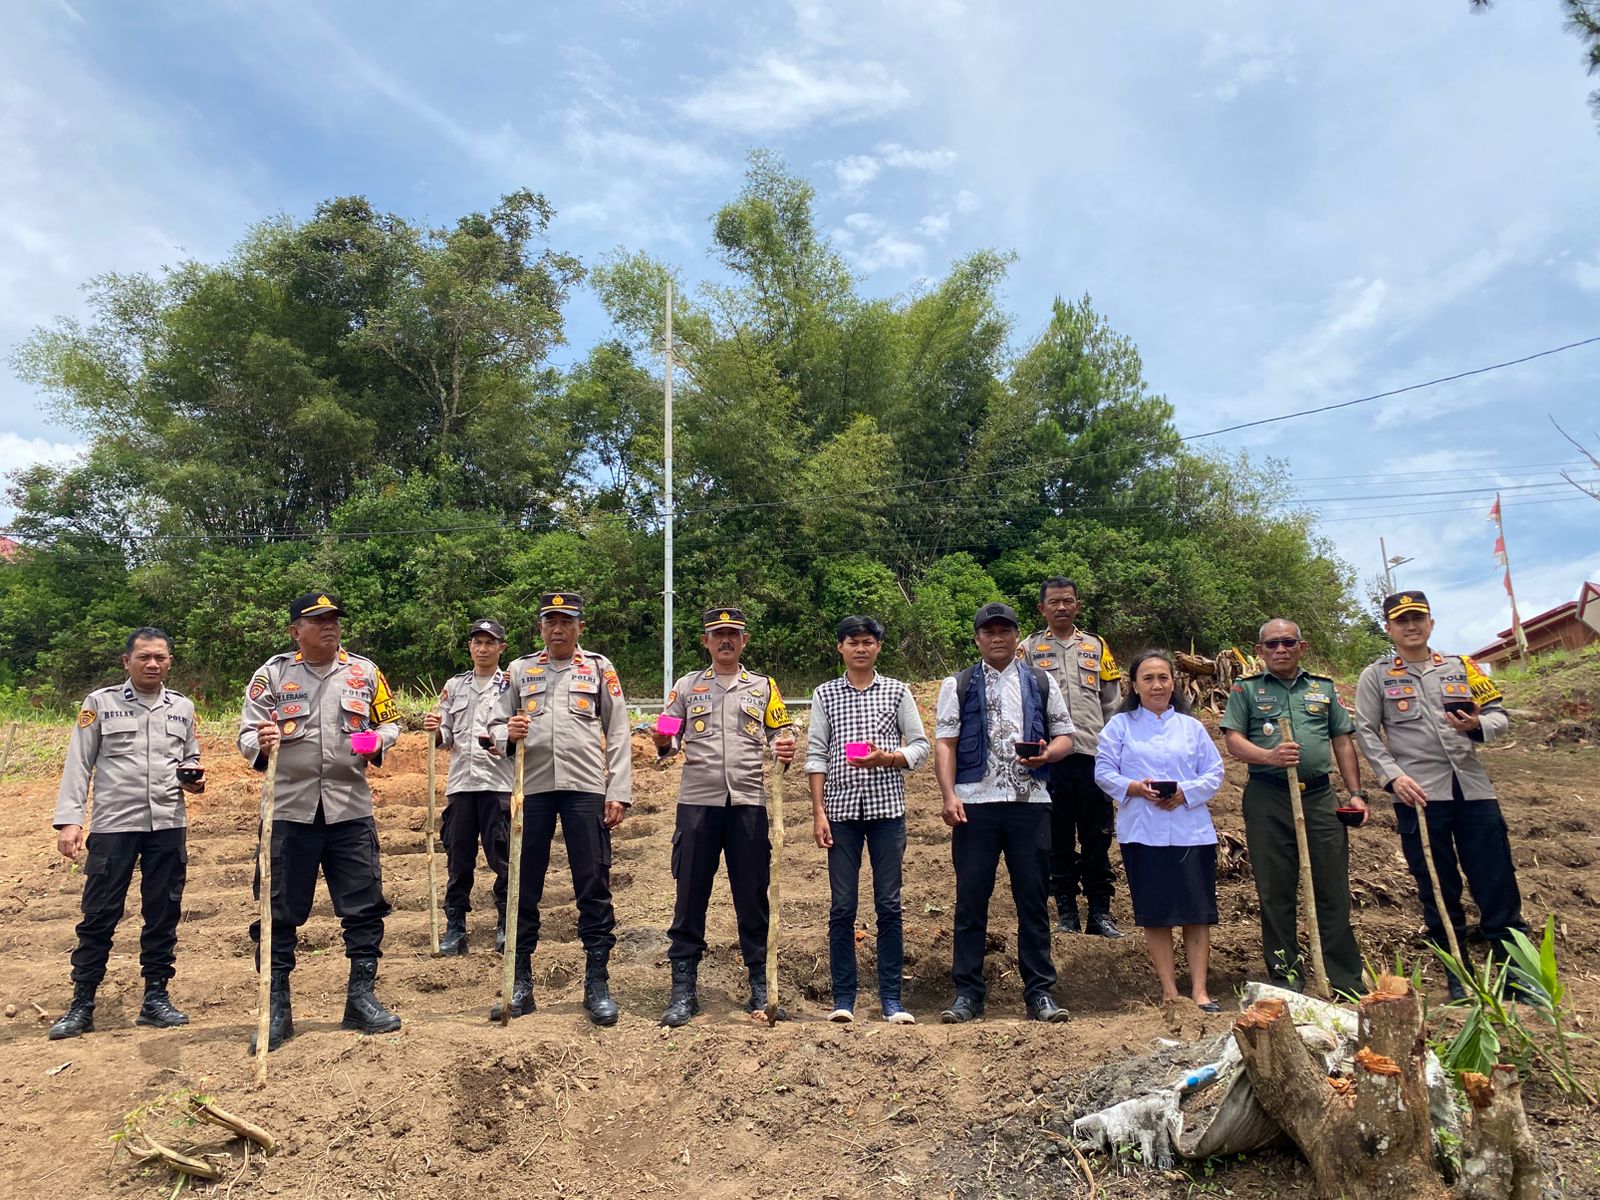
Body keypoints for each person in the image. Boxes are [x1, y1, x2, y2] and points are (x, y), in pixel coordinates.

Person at [238, 591, 404, 1052]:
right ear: (296, 631)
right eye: (318, 621)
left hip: (350, 809)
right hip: (289, 812)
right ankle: (276, 1010)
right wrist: (261, 743)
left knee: (364, 907)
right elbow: (246, 734)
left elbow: (390, 723)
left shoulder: (364, 672)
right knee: (277, 912)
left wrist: (377, 741)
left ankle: (361, 999)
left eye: (334, 620)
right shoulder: (272, 675)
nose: (330, 627)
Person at [1354, 590, 1529, 1000]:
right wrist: (1393, 778)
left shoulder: (1462, 666)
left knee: (1497, 882)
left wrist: (1476, 726)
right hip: (1418, 795)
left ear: (1431, 622)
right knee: (1437, 887)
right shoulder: (1376, 676)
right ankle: (1459, 978)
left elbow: (1499, 716)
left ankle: (1517, 977)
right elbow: (1366, 732)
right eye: (1402, 620)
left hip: (1474, 790)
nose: (1411, 626)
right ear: (1389, 629)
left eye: (1418, 618)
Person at [478, 592, 631, 1025]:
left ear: (580, 626)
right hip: (532, 789)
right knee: (523, 885)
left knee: (593, 883)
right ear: (541, 628)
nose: (558, 629)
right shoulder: (519, 670)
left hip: (586, 789)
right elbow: (491, 727)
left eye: (566, 621)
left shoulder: (598, 668)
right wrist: (508, 732)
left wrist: (617, 790)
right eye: (551, 622)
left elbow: (619, 729)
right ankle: (519, 983)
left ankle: (597, 983)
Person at [48, 628, 204, 1039]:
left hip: (167, 824)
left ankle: (156, 998)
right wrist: (70, 820)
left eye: (160, 658)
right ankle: (82, 1004)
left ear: (170, 662)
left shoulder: (182, 707)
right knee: (100, 914)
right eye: (144, 657)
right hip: (114, 826)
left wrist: (194, 779)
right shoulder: (101, 704)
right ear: (126, 662)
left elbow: (190, 757)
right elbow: (79, 763)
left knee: (163, 913)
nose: (152, 664)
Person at [933, 601, 1075, 1024]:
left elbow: (1066, 736)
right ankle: (967, 994)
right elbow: (946, 743)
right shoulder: (957, 684)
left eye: (1005, 631)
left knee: (1033, 899)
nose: (997, 638)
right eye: (989, 632)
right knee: (971, 900)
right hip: (974, 805)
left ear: (1017, 636)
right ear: (977, 639)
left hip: (1030, 804)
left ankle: (1039, 993)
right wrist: (948, 794)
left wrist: (1048, 753)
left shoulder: (1040, 681)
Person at [653, 606, 796, 1026]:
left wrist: (785, 745)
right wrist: (662, 740)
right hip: (697, 803)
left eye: (733, 633)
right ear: (706, 641)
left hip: (748, 803)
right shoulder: (686, 686)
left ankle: (760, 986)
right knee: (690, 896)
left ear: (744, 640)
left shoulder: (764, 687)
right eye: (718, 634)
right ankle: (683, 990)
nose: (726, 640)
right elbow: (668, 737)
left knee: (753, 896)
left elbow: (781, 732)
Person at [1222, 619, 1368, 995]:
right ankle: (1286, 977)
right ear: (1260, 651)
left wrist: (1356, 793)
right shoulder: (1246, 689)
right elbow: (1234, 740)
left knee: (1332, 888)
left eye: (1288, 642)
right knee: (1275, 891)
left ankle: (1344, 979)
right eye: (1272, 644)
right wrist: (1269, 757)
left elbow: (1342, 741)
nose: (1280, 649)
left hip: (1319, 798)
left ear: (1302, 647)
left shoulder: (1323, 688)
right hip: (1268, 797)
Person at [805, 615, 930, 1024]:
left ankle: (892, 999)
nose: (860, 648)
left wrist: (888, 758)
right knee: (842, 907)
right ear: (840, 647)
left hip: (886, 812)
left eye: (868, 642)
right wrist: (819, 812)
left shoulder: (897, 691)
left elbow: (920, 745)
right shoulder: (825, 694)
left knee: (889, 905)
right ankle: (844, 998)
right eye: (853, 642)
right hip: (840, 813)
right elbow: (817, 754)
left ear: (878, 647)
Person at [1095, 649, 1226, 1012]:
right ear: (1134, 686)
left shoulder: (1191, 727)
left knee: (1196, 912)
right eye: (1148, 678)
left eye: (1163, 678)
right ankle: (1170, 991)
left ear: (1174, 683)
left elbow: (1214, 772)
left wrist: (1185, 792)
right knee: (1156, 913)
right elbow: (1103, 772)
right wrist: (1136, 788)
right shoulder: (1119, 727)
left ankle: (1200, 991)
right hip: (1142, 831)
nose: (1157, 685)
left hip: (1191, 831)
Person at [1021, 577, 1125, 937]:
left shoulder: (1096, 646)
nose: (1061, 607)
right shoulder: (1028, 649)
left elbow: (1112, 703)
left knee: (1098, 837)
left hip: (1094, 756)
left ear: (1077, 605)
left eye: (1068, 601)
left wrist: (1115, 749)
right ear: (1042, 609)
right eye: (1054, 602)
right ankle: (1066, 912)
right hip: (1050, 760)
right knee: (1056, 837)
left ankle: (1100, 912)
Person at [423, 618, 514, 957]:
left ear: (501, 648)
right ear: (470, 647)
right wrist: (434, 729)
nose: (483, 648)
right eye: (478, 642)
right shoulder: (455, 686)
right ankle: (455, 928)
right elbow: (444, 735)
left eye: (490, 643)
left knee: (504, 859)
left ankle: (506, 926)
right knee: (458, 861)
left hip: (498, 785)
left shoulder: (511, 685)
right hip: (461, 785)